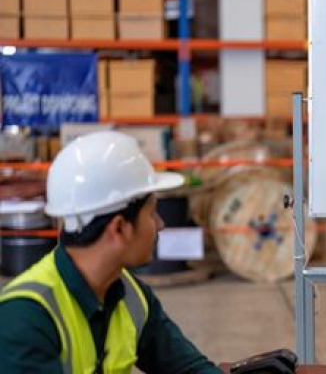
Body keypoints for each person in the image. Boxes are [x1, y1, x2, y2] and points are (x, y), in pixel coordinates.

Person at [0, 131, 225, 373]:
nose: (160, 224)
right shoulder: (25, 317)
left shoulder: (130, 295)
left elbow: (187, 369)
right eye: (151, 213)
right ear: (119, 228)